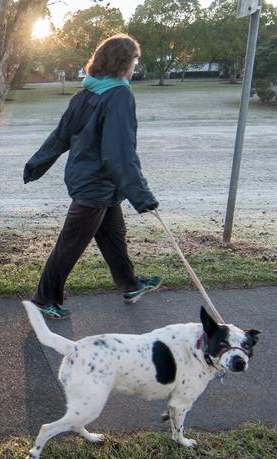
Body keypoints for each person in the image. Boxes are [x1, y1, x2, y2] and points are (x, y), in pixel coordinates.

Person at [24, 34, 161, 320]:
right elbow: (119, 152)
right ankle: (44, 299)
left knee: (113, 237)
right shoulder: (119, 94)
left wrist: (37, 163)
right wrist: (141, 196)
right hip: (95, 185)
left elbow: (61, 134)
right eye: (134, 60)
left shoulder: (88, 91)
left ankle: (131, 285)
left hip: (99, 183)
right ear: (123, 63)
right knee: (71, 243)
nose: (135, 66)